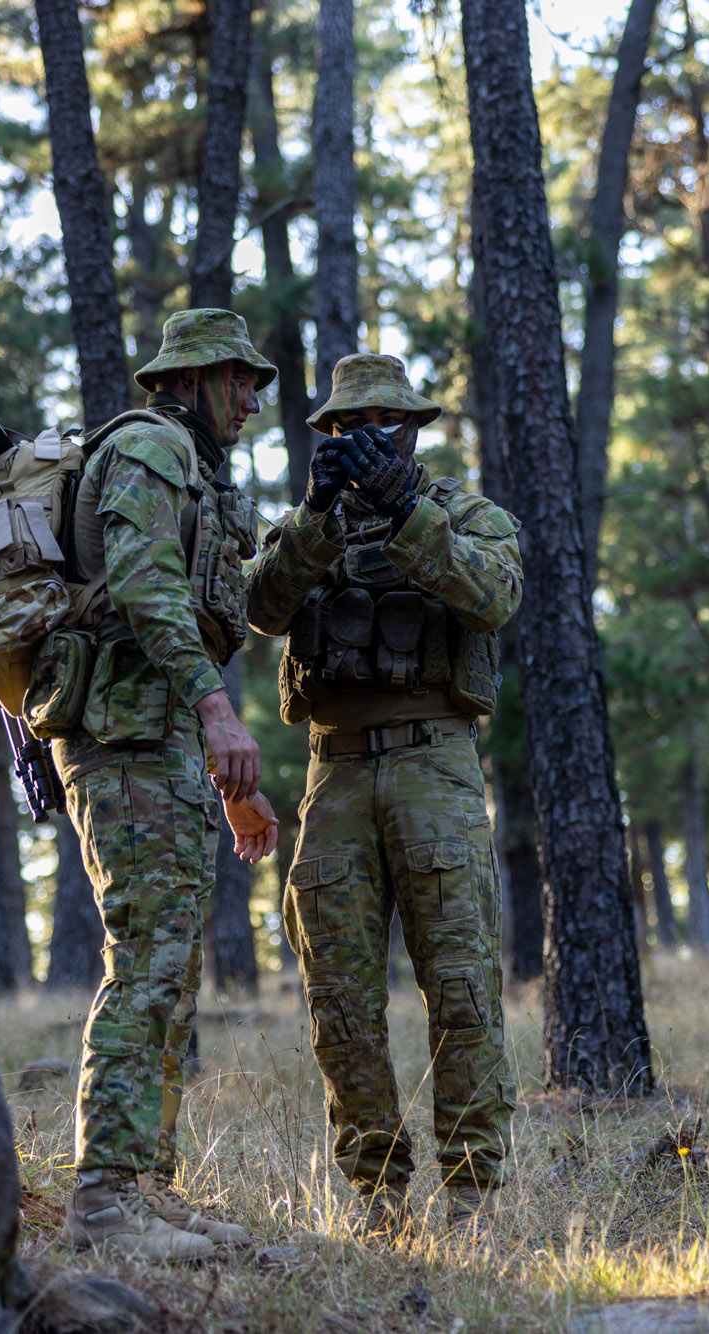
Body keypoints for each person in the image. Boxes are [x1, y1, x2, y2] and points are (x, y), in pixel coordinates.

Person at [246, 352, 521, 1248]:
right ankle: (376, 1194)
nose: (365, 440)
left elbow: (493, 595)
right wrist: (316, 518)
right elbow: (260, 606)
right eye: (345, 427)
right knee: (339, 999)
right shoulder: (309, 524)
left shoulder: (463, 515)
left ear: (414, 431)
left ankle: (473, 1194)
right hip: (334, 773)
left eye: (383, 426)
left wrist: (405, 511)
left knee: (462, 986)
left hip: (434, 764)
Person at [57, 308, 281, 1261]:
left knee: (172, 970)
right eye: (239, 379)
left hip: (163, 740)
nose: (252, 399)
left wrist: (222, 769)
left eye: (256, 383)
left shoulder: (195, 468)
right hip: (127, 737)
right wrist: (216, 709)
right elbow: (145, 585)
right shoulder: (151, 446)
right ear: (189, 380)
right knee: (146, 958)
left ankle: (148, 1186)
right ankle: (104, 1202)